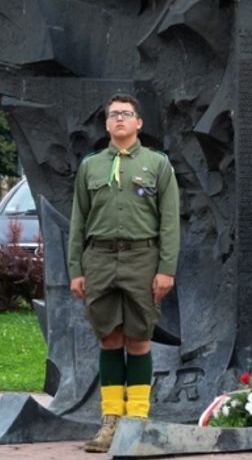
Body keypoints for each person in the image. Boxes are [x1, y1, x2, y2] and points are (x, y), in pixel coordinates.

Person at [68, 94, 181, 453]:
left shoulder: (158, 165)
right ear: (106, 124)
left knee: (138, 339)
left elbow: (169, 222)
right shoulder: (91, 167)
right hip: (99, 260)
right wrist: (76, 269)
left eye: (126, 114)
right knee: (109, 339)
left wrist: (166, 269)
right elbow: (77, 222)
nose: (119, 120)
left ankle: (138, 421)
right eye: (113, 115)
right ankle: (110, 422)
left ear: (138, 123)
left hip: (141, 260)